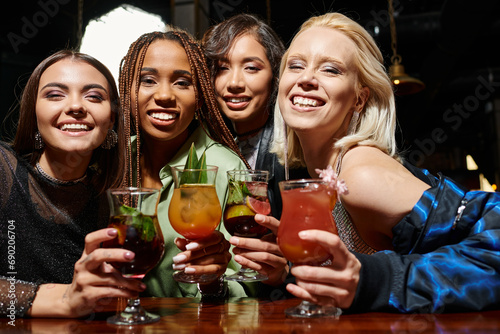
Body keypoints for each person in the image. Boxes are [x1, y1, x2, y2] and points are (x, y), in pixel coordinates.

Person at [271, 12, 500, 313]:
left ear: (359, 99)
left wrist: (378, 280)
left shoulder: (361, 174)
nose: (306, 79)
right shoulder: (326, 172)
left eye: (330, 70)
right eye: (296, 65)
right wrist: (281, 271)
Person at [118, 28, 278, 299]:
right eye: (148, 80)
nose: (165, 95)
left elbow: (250, 289)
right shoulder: (113, 161)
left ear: (201, 96)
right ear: (127, 90)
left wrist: (212, 283)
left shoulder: (230, 168)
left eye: (182, 83)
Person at [0, 50, 144, 318]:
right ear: (34, 113)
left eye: (94, 96)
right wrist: (62, 300)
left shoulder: (111, 201)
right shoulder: (3, 169)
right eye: (55, 95)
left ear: (111, 119)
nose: (76, 106)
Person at [203, 13, 309, 219]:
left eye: (251, 68)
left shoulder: (295, 149)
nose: (234, 82)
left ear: (275, 76)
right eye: (222, 68)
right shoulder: (208, 143)